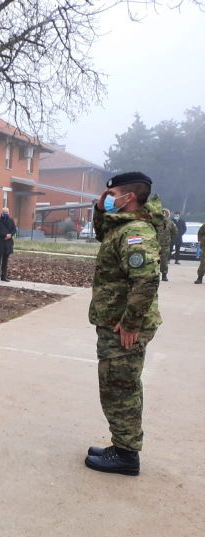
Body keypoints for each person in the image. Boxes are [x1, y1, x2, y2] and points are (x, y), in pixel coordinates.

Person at [85, 172, 162, 476]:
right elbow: (103, 232)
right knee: (117, 383)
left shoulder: (136, 232)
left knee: (120, 387)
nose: (108, 198)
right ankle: (122, 445)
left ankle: (126, 455)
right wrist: (100, 208)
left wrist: (130, 323)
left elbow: (146, 280)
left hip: (123, 325)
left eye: (113, 194)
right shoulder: (122, 225)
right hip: (115, 320)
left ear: (129, 197)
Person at [0, 206, 17, 281]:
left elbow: (14, 230)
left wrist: (10, 235)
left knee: (5, 261)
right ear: (2, 213)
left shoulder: (11, 221)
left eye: (7, 212)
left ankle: (4, 276)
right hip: (0, 243)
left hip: (8, 243)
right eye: (4, 212)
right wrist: (5, 235)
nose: (6, 214)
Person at [157, 205, 176, 282]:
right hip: (156, 245)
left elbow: (175, 232)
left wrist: (169, 238)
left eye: (165, 214)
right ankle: (155, 275)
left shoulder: (170, 223)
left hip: (165, 245)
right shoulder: (156, 223)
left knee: (164, 261)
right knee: (154, 260)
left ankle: (164, 275)